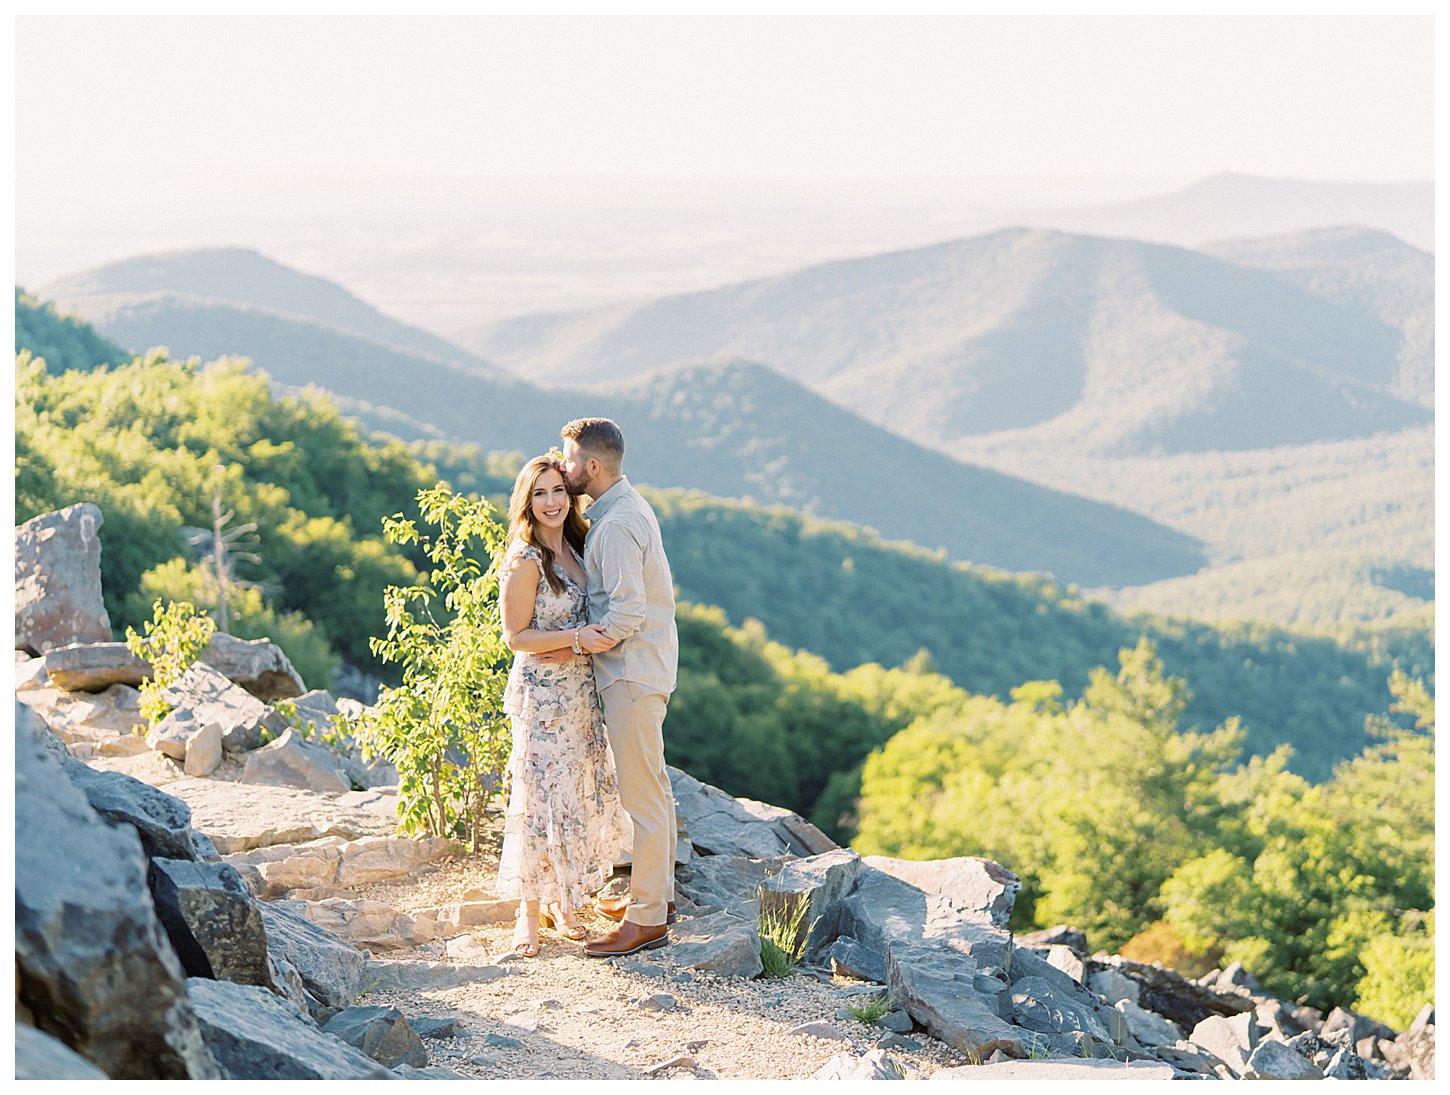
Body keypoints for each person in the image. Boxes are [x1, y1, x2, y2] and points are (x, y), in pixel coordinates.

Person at [494, 455, 628, 957]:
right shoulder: (525, 560)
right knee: (539, 796)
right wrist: (574, 639)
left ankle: (564, 901)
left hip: (579, 694)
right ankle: (527, 912)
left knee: (573, 793)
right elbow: (516, 636)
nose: (551, 502)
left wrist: (576, 646)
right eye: (540, 494)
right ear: (526, 503)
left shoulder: (581, 544)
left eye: (557, 491)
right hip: (544, 696)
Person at [557, 417, 680, 958]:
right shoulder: (627, 507)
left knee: (642, 798)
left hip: (630, 674)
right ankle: (659, 896)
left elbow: (626, 613)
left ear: (592, 466)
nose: (563, 468)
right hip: (646, 669)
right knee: (655, 788)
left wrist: (575, 644)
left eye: (567, 459)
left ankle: (648, 918)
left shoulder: (614, 526)